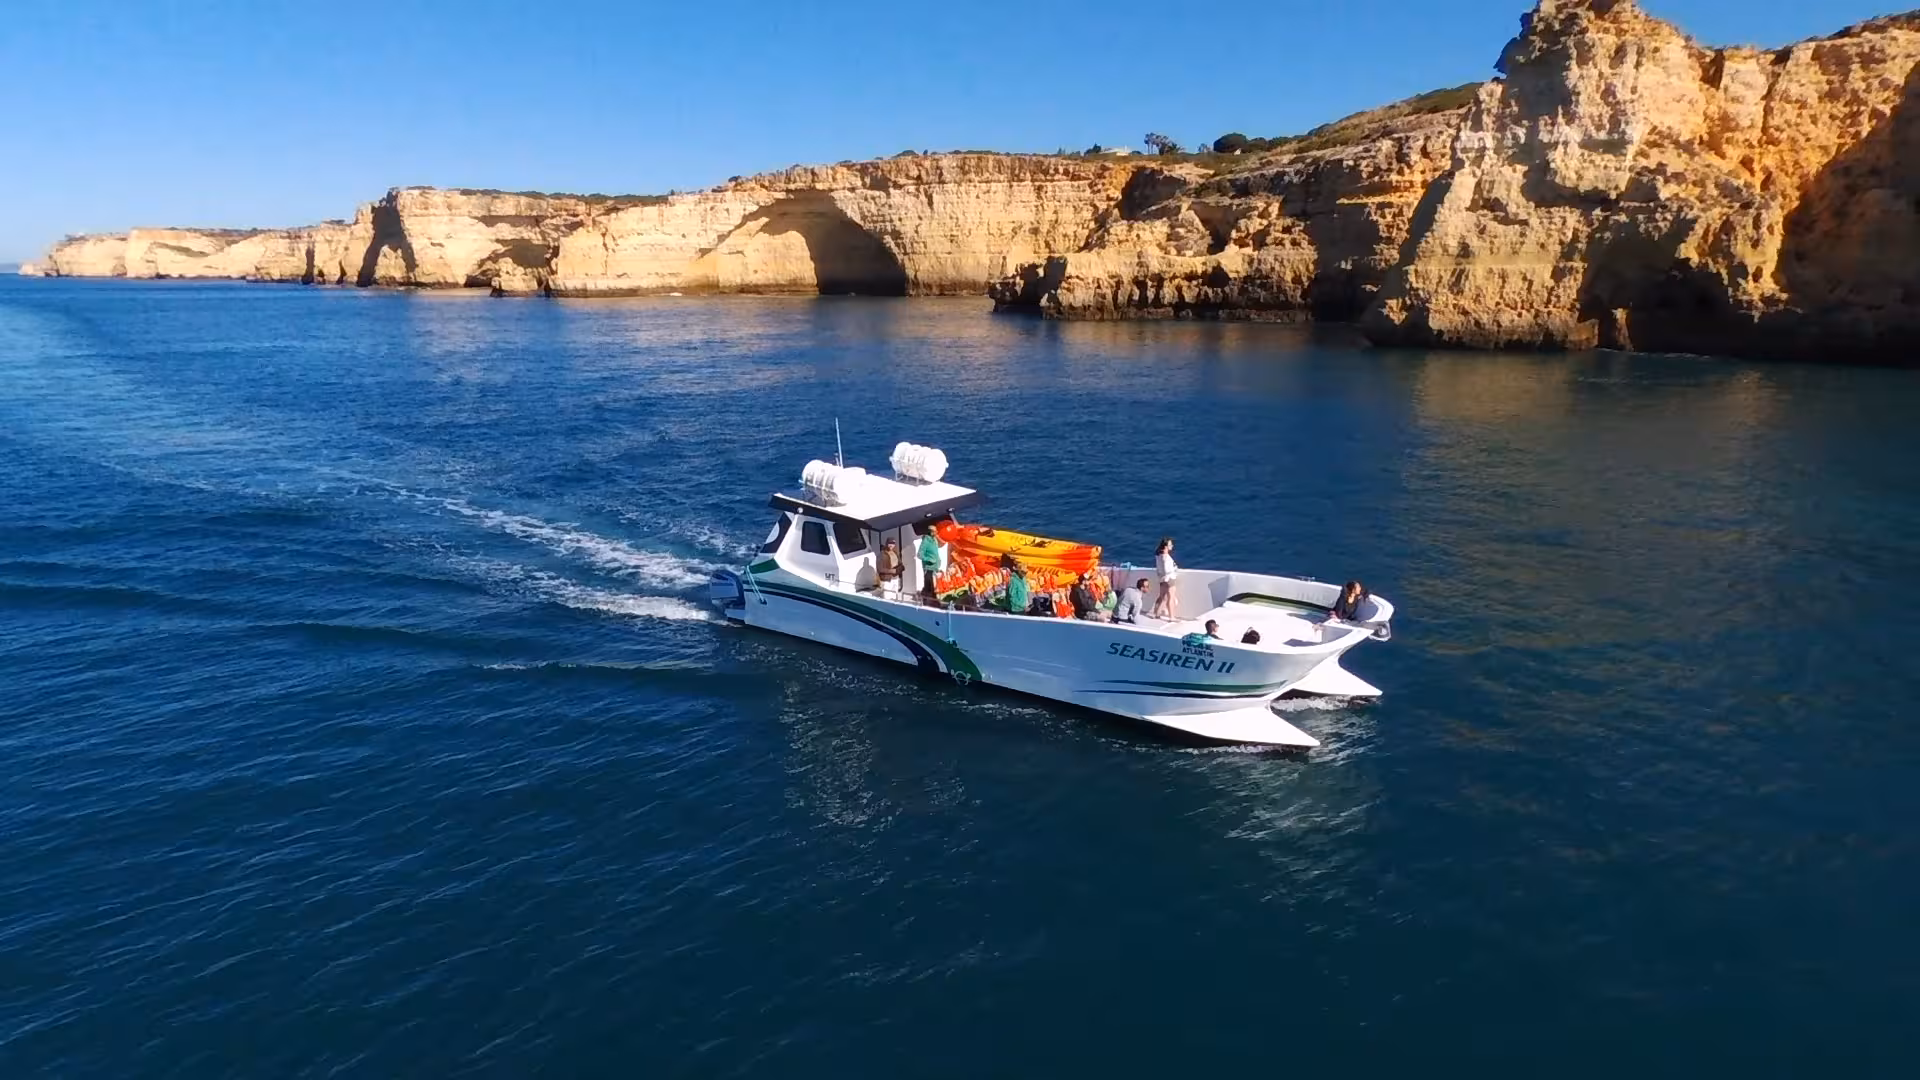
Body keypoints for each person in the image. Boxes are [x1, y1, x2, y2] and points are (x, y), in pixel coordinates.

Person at [917, 522, 946, 603]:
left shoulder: (934, 540)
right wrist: (929, 560)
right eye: (935, 531)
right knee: (928, 586)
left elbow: (936, 551)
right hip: (928, 569)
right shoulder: (925, 541)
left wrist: (938, 560)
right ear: (930, 532)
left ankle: (934, 601)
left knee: (935, 586)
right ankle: (925, 601)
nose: (936, 533)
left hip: (935, 568)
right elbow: (919, 555)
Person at [1152, 537, 1179, 619]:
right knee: (1171, 597)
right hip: (1169, 578)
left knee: (1162, 597)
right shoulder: (1165, 557)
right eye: (1170, 544)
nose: (1172, 546)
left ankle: (1156, 613)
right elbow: (1166, 569)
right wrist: (1174, 568)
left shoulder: (1158, 555)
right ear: (1166, 546)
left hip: (1162, 578)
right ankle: (1172, 617)